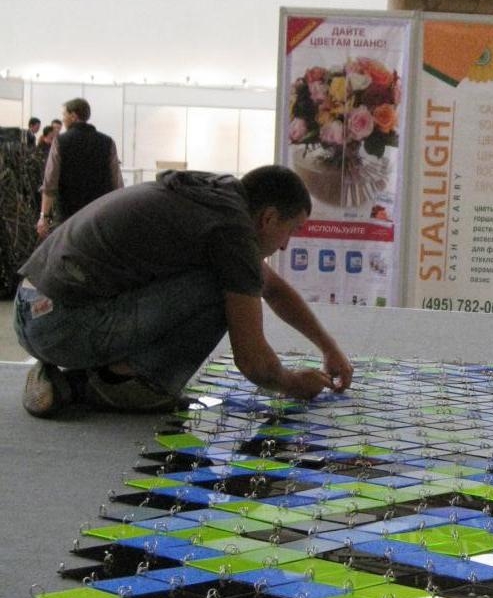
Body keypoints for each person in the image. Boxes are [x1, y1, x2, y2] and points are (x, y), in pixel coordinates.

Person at [14, 164, 354, 419]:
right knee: (222, 288)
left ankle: (79, 373)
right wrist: (293, 384)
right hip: (60, 326)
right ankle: (112, 385)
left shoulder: (216, 199)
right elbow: (253, 362)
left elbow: (273, 290)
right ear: (268, 218)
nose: (285, 245)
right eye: (291, 230)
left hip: (29, 309)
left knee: (230, 278)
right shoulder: (231, 231)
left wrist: (329, 348)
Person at [36, 99, 123, 240]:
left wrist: (44, 217)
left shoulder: (60, 142)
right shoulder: (107, 142)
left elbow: (50, 183)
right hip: (99, 215)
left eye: (64, 114)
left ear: (73, 116)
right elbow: (117, 183)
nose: (63, 119)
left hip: (68, 216)